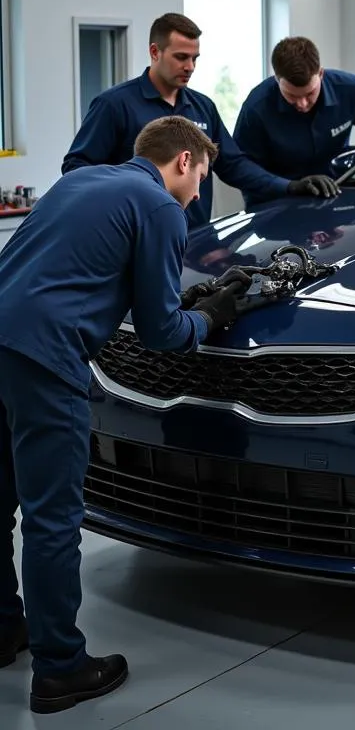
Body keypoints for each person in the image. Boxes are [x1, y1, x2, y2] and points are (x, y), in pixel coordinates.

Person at [0, 116, 252, 714]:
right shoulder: (162, 207)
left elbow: (79, 274)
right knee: (52, 520)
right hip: (46, 360)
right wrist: (211, 316)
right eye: (201, 179)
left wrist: (175, 300)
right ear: (184, 161)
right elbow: (163, 334)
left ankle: (6, 626)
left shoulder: (79, 183)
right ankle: (61, 668)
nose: (198, 195)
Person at [62, 13, 338, 229]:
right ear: (155, 52)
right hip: (134, 237)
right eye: (181, 57)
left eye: (195, 58)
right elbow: (77, 168)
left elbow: (234, 165)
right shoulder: (115, 105)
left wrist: (289, 186)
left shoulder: (203, 107)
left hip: (193, 239)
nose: (190, 67)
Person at [233, 36, 355, 207]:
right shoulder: (256, 108)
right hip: (277, 202)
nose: (302, 103)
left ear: (321, 74)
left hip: (337, 196)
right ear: (277, 80)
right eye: (292, 96)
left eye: (310, 93)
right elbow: (241, 166)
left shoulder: (352, 89)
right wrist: (289, 186)